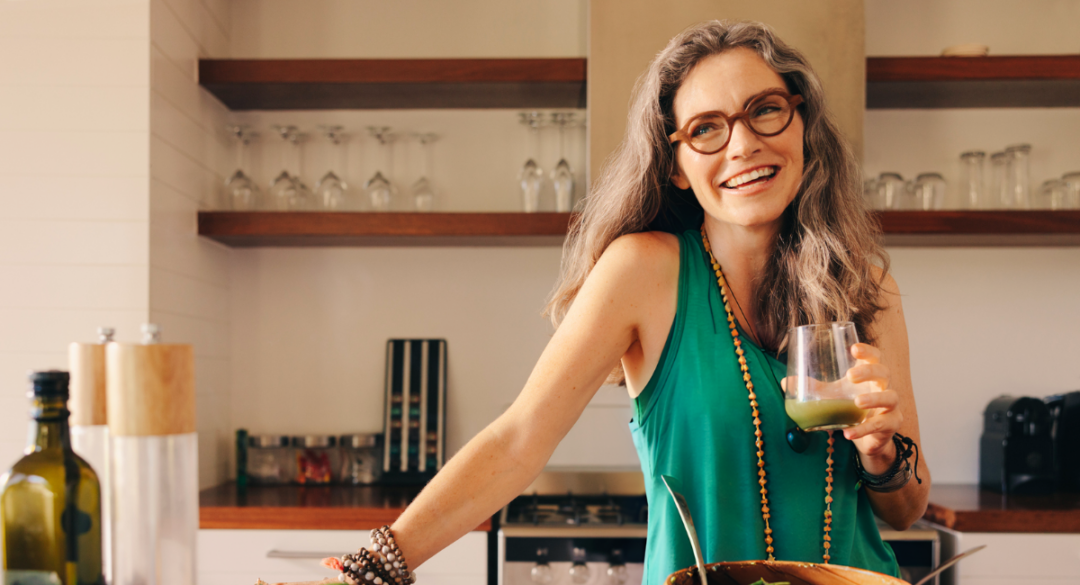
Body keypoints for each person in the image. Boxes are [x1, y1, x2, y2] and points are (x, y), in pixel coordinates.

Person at [306, 19, 931, 585]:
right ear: (677, 165)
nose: (741, 146)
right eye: (706, 128)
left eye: (764, 110)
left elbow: (907, 510)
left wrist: (881, 455)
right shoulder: (644, 270)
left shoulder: (867, 285)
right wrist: (374, 567)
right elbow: (520, 438)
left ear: (800, 125)